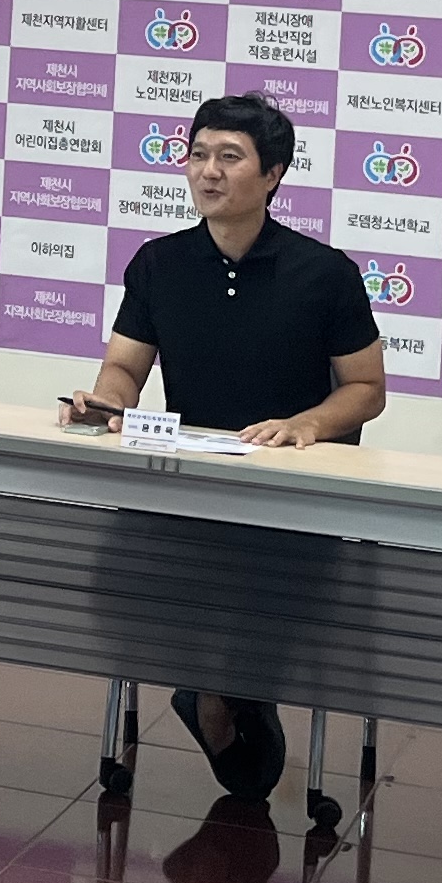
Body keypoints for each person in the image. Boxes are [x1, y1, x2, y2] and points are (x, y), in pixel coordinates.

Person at [59, 91, 385, 800]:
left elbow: (366, 389)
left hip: (290, 497)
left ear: (272, 175)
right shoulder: (160, 263)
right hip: (189, 488)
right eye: (198, 154)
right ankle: (218, 685)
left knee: (258, 593)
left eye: (229, 157)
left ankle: (219, 691)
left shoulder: (324, 273)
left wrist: (309, 423)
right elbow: (124, 368)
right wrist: (108, 404)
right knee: (116, 574)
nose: (208, 171)